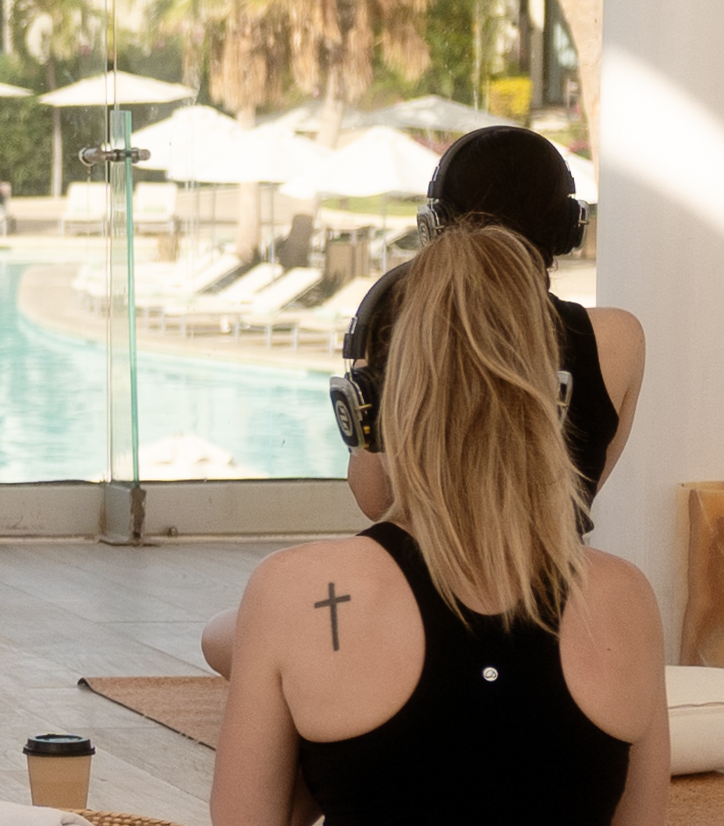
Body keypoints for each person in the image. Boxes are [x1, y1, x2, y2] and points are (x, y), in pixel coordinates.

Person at [40, 215, 680, 826]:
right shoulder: (624, 594)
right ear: (550, 401)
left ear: (379, 408)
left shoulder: (301, 586)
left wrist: (349, 739)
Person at [202, 120, 645, 672]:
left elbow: (373, 497)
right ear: (567, 227)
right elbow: (581, 489)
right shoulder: (619, 337)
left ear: (437, 225)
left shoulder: (394, 317)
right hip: (551, 611)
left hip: (414, 601)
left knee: (224, 635)